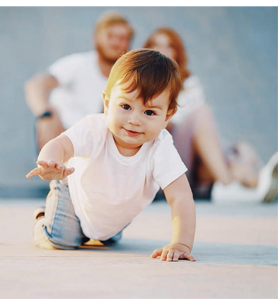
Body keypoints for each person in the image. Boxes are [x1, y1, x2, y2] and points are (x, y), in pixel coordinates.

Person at [26, 49, 196, 262]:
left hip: (114, 212)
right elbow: (61, 144)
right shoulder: (94, 128)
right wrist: (51, 161)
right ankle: (43, 219)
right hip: (75, 193)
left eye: (149, 112)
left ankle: (94, 230)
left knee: (106, 239)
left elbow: (180, 197)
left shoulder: (160, 147)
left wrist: (181, 243)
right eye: (125, 106)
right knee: (62, 239)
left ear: (167, 116)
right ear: (107, 103)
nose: (134, 120)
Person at [144, 27, 278, 203]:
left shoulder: (189, 84)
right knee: (203, 113)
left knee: (217, 148)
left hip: (194, 163)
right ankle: (235, 183)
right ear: (148, 49)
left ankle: (256, 183)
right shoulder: (142, 81)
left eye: (169, 45)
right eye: (156, 45)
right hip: (166, 152)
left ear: (177, 51)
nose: (162, 50)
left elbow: (200, 131)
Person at [25, 11, 134, 151]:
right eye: (110, 36)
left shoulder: (130, 77)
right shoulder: (78, 64)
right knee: (48, 125)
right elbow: (36, 84)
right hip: (61, 134)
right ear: (95, 38)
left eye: (122, 38)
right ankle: (52, 167)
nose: (116, 42)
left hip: (98, 143)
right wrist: (45, 113)